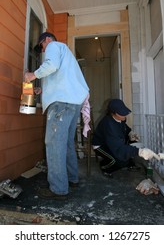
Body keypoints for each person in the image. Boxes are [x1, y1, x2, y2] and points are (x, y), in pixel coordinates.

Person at [24, 32, 89, 200]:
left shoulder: (54, 46)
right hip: (73, 102)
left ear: (46, 39)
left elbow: (51, 65)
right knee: (66, 142)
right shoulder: (66, 53)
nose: (42, 50)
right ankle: (72, 179)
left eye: (41, 46)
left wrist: (32, 75)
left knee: (53, 143)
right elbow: (61, 78)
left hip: (61, 103)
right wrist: (42, 90)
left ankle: (58, 189)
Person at [92, 98, 160, 176]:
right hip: (101, 145)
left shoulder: (120, 118)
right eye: (121, 113)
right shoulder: (109, 125)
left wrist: (131, 133)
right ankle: (105, 167)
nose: (125, 114)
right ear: (113, 113)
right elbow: (118, 149)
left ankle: (129, 163)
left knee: (131, 144)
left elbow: (124, 127)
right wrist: (139, 152)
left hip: (113, 141)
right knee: (120, 161)